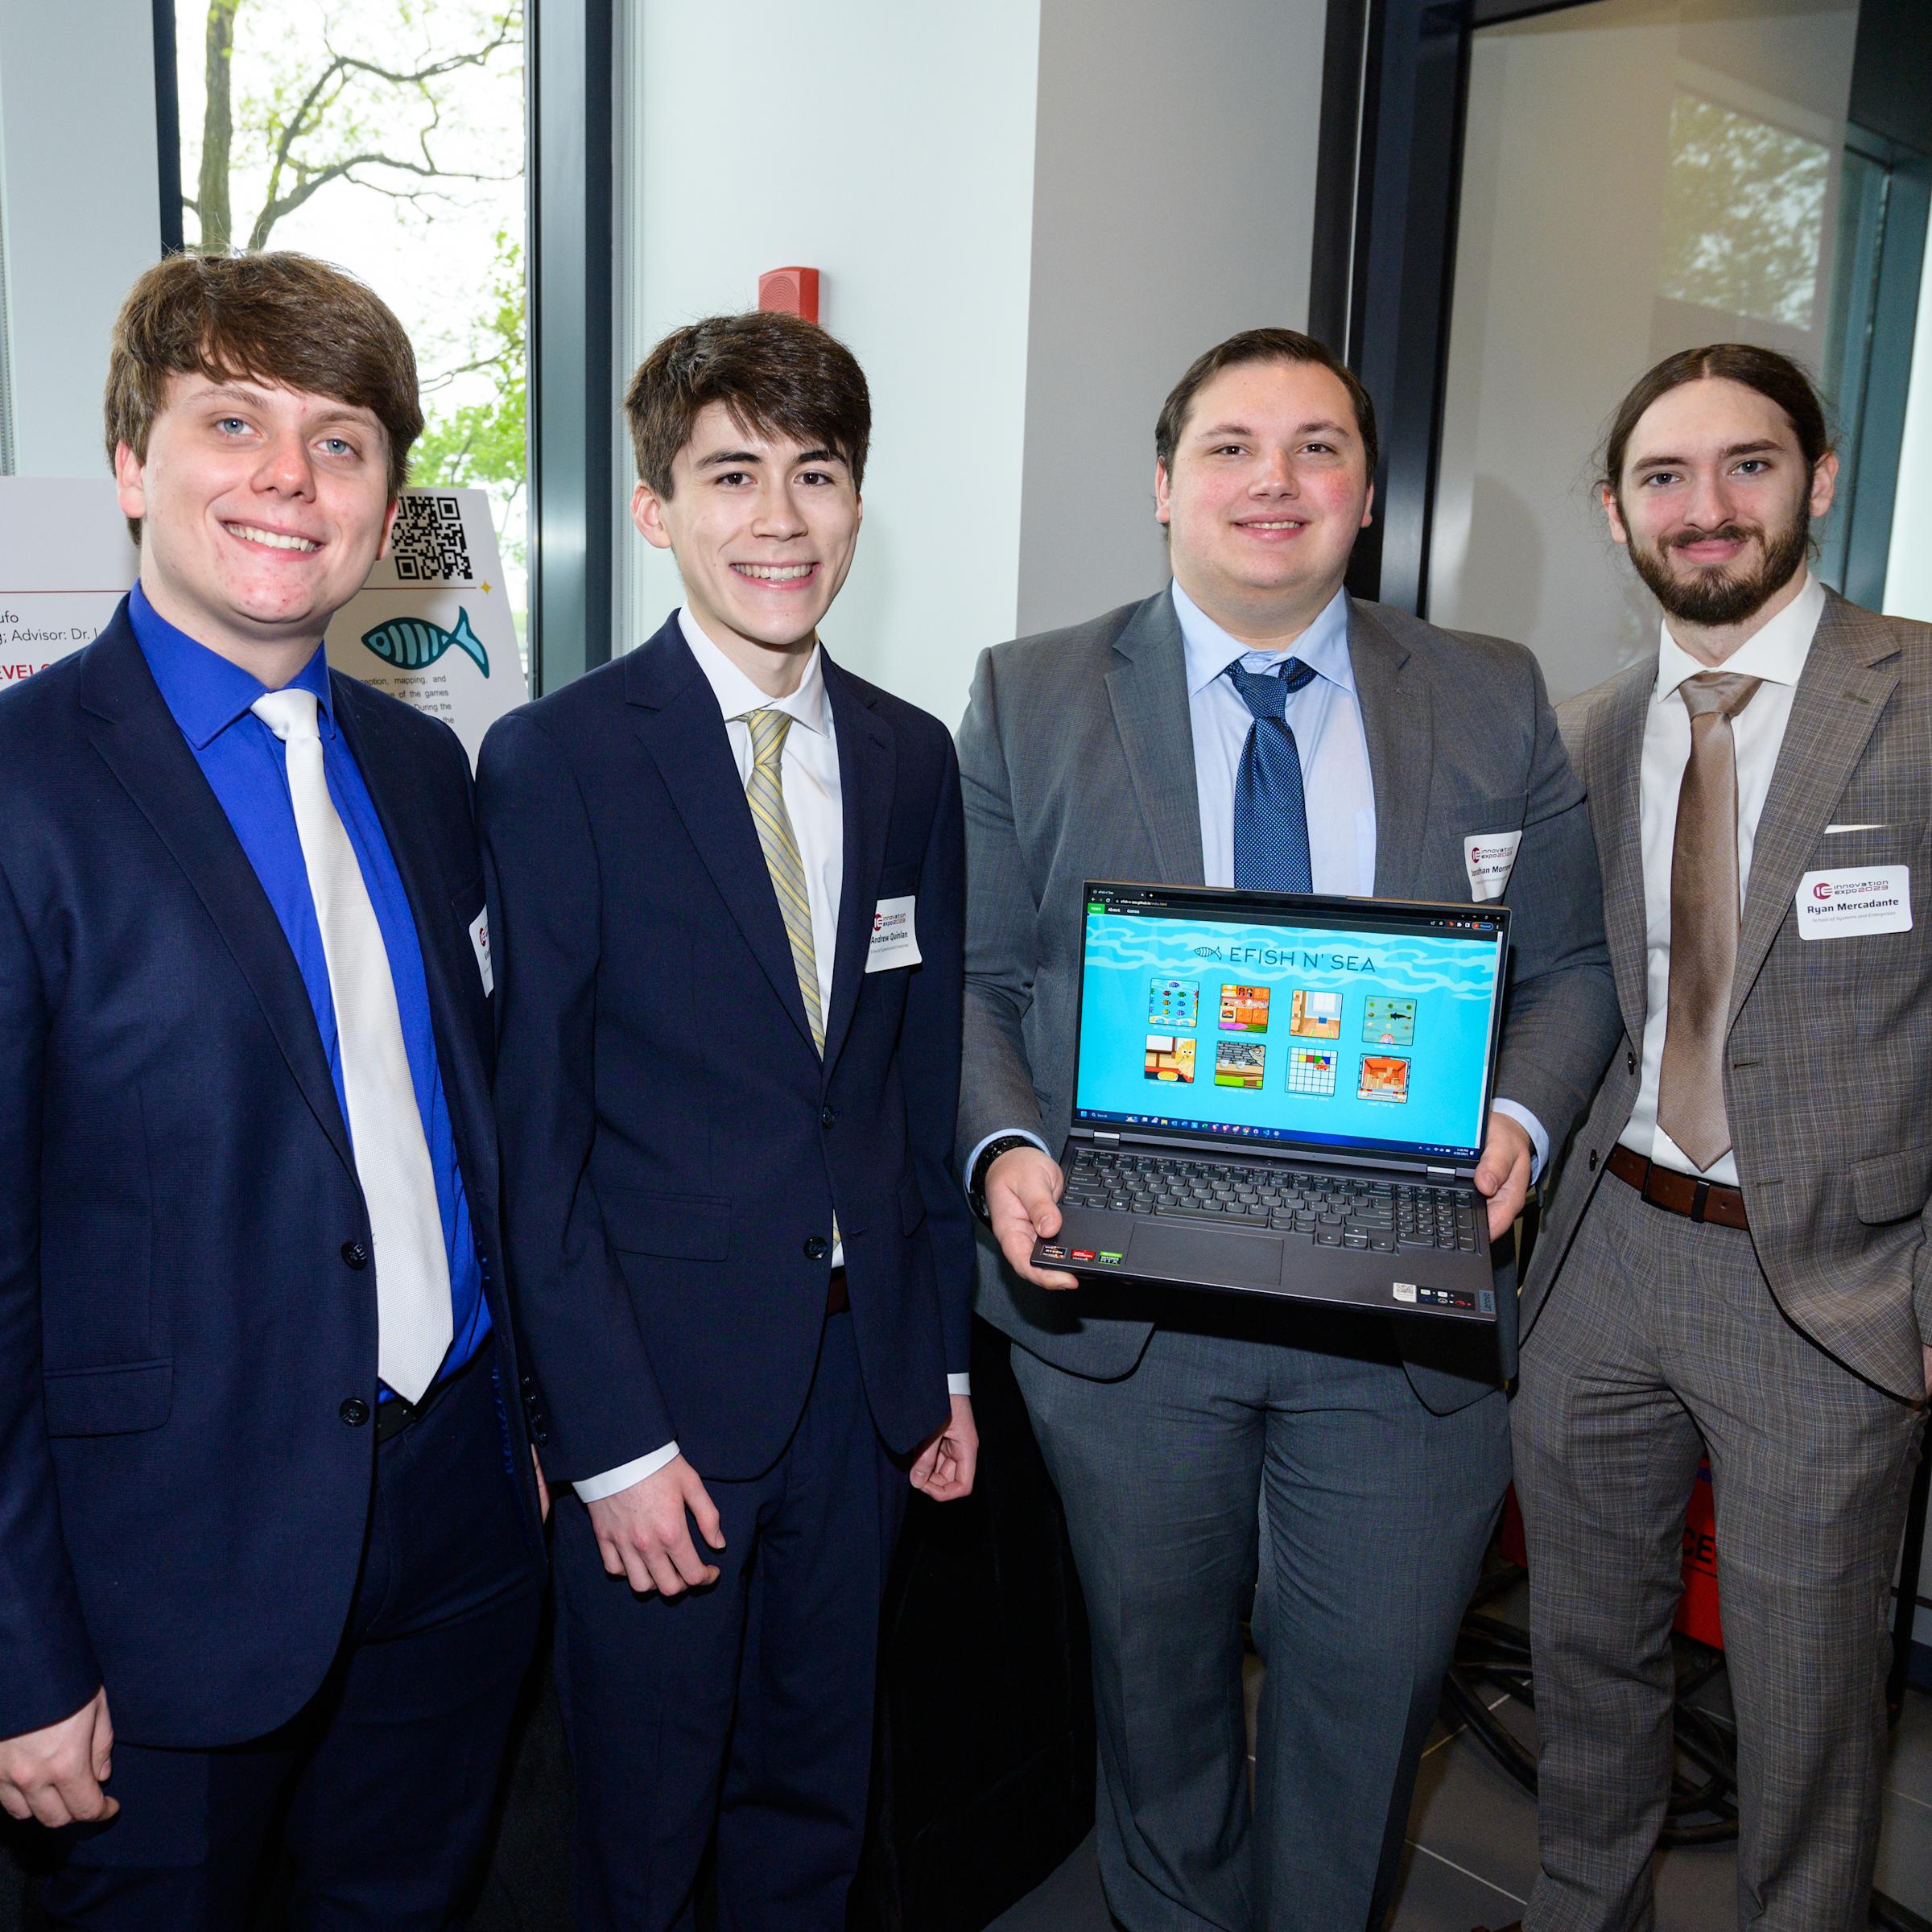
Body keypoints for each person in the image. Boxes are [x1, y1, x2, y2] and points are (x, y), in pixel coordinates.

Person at [956, 325, 1620, 1930]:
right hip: (1127, 1299)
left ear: (1367, 494)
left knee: (1365, 1705)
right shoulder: (1031, 692)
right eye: (1234, 447)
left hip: (1399, 1311)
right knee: (1157, 1701)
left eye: (1317, 447)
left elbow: (1577, 969)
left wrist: (1521, 1115)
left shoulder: (1492, 691)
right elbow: (973, 979)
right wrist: (1005, 1148)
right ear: (1164, 489)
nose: (1277, 480)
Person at [0, 250, 547, 1926]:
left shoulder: (423, 764)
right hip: (160, 1583)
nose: (287, 479)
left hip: (454, 1529)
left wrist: (521, 1425)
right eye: (231, 421)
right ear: (126, 465)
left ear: (387, 507)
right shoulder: (21, 798)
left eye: (340, 441)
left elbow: (459, 1113)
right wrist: (20, 1648)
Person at [478, 309, 977, 1931]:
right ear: (654, 509)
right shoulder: (556, 761)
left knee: (812, 1794)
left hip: (862, 1385)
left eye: (816, 476)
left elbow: (912, 1081)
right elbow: (534, 1134)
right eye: (733, 474)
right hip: (661, 1402)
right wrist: (604, 1438)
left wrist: (943, 1357)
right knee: (640, 1814)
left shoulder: (912, 758)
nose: (780, 519)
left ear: (856, 502)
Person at [1489, 345, 1932, 1932]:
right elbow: (1565, 990)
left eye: (1747, 464)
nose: (1707, 507)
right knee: (1587, 1661)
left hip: (1829, 1286)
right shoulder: (1585, 734)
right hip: (1606, 1257)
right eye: (1665, 478)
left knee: (1809, 1702)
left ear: (1818, 479)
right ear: (1617, 515)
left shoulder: (1923, 702)